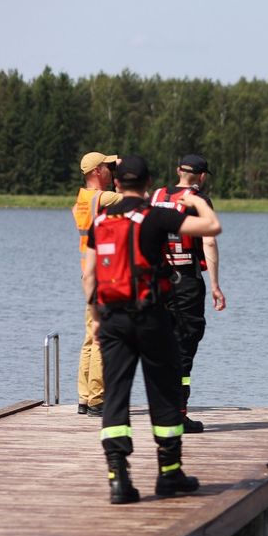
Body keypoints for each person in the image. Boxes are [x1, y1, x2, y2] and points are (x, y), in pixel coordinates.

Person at [83, 156, 222, 504]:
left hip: (111, 318)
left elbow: (90, 274)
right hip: (150, 317)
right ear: (147, 185)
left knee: (117, 394)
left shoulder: (100, 220)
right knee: (163, 390)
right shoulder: (155, 216)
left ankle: (118, 478)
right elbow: (211, 227)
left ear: (117, 184)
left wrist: (97, 317)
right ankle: (169, 473)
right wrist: (192, 200)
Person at [149, 154, 227, 433]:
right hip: (186, 282)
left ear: (178, 171)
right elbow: (209, 242)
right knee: (184, 347)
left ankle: (162, 410)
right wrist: (215, 285)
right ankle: (177, 414)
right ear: (202, 177)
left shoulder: (156, 196)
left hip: (156, 281)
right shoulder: (199, 201)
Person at [72, 151, 122, 417]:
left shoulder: (81, 199)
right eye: (107, 166)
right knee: (102, 336)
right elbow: (138, 198)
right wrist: (126, 174)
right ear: (96, 171)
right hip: (103, 275)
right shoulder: (103, 198)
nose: (111, 170)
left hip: (88, 274)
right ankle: (97, 399)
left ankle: (84, 397)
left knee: (91, 336)